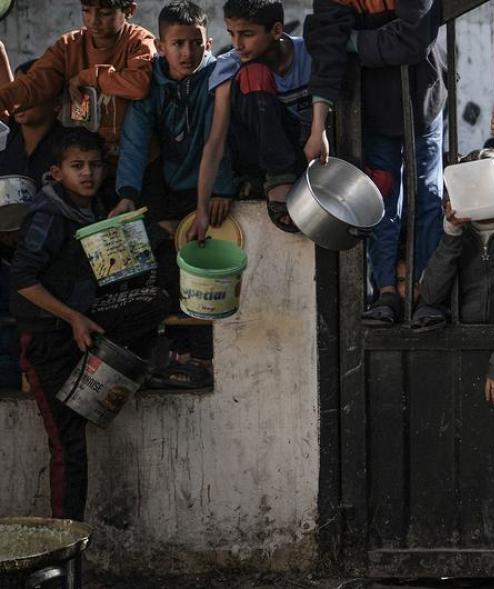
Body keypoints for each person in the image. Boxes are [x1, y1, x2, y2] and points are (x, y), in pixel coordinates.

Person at [12, 129, 169, 520]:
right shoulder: (47, 213)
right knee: (69, 448)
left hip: (85, 324)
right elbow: (22, 279)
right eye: (76, 166)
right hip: (49, 336)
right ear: (56, 172)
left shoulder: (100, 207)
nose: (87, 174)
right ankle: (66, 554)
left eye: (95, 166)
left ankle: (98, 384)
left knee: (154, 301)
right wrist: (73, 318)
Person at [110, 1, 234, 387]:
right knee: (166, 265)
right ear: (161, 47)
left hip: (208, 187)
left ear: (208, 43)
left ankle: (205, 358)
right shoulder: (151, 83)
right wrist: (127, 193)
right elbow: (134, 140)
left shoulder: (220, 74)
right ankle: (177, 355)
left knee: (205, 265)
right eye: (177, 44)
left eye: (195, 43)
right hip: (166, 183)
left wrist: (222, 187)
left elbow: (225, 138)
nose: (187, 52)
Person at [305, 0, 446, 325]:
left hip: (423, 98)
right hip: (374, 106)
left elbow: (412, 41)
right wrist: (318, 128)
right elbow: (326, 50)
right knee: (381, 199)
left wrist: (352, 41)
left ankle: (426, 292)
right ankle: (385, 291)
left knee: (427, 195)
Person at [408, 150, 494, 406]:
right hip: (458, 355)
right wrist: (451, 236)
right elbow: (431, 294)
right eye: (469, 180)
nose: (475, 187)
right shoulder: (457, 233)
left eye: (482, 179)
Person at [194, 0, 313, 238]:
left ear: (277, 30)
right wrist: (202, 208)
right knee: (253, 74)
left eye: (247, 34)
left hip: (306, 147)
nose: (237, 44)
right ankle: (279, 178)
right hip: (258, 152)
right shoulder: (230, 65)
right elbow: (215, 142)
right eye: (232, 34)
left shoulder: (308, 54)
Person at [0, 0, 155, 163]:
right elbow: (35, 82)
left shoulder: (139, 42)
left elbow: (139, 84)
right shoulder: (68, 47)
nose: (93, 21)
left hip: (138, 163)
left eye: (105, 13)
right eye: (86, 11)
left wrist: (89, 77)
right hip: (86, 163)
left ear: (130, 10)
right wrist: (4, 100)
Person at [0, 61, 66, 186]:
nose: (19, 101)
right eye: (16, 92)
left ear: (57, 103)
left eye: (29, 94)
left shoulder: (68, 145)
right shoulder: (6, 134)